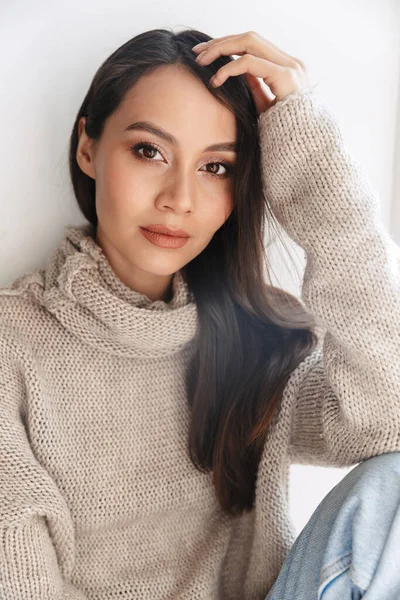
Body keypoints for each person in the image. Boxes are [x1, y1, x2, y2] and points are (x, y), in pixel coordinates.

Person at [0, 27, 399, 600]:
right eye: (149, 151)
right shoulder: (12, 343)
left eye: (215, 168)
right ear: (87, 146)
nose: (178, 198)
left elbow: (388, 416)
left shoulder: (256, 336)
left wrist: (313, 167)